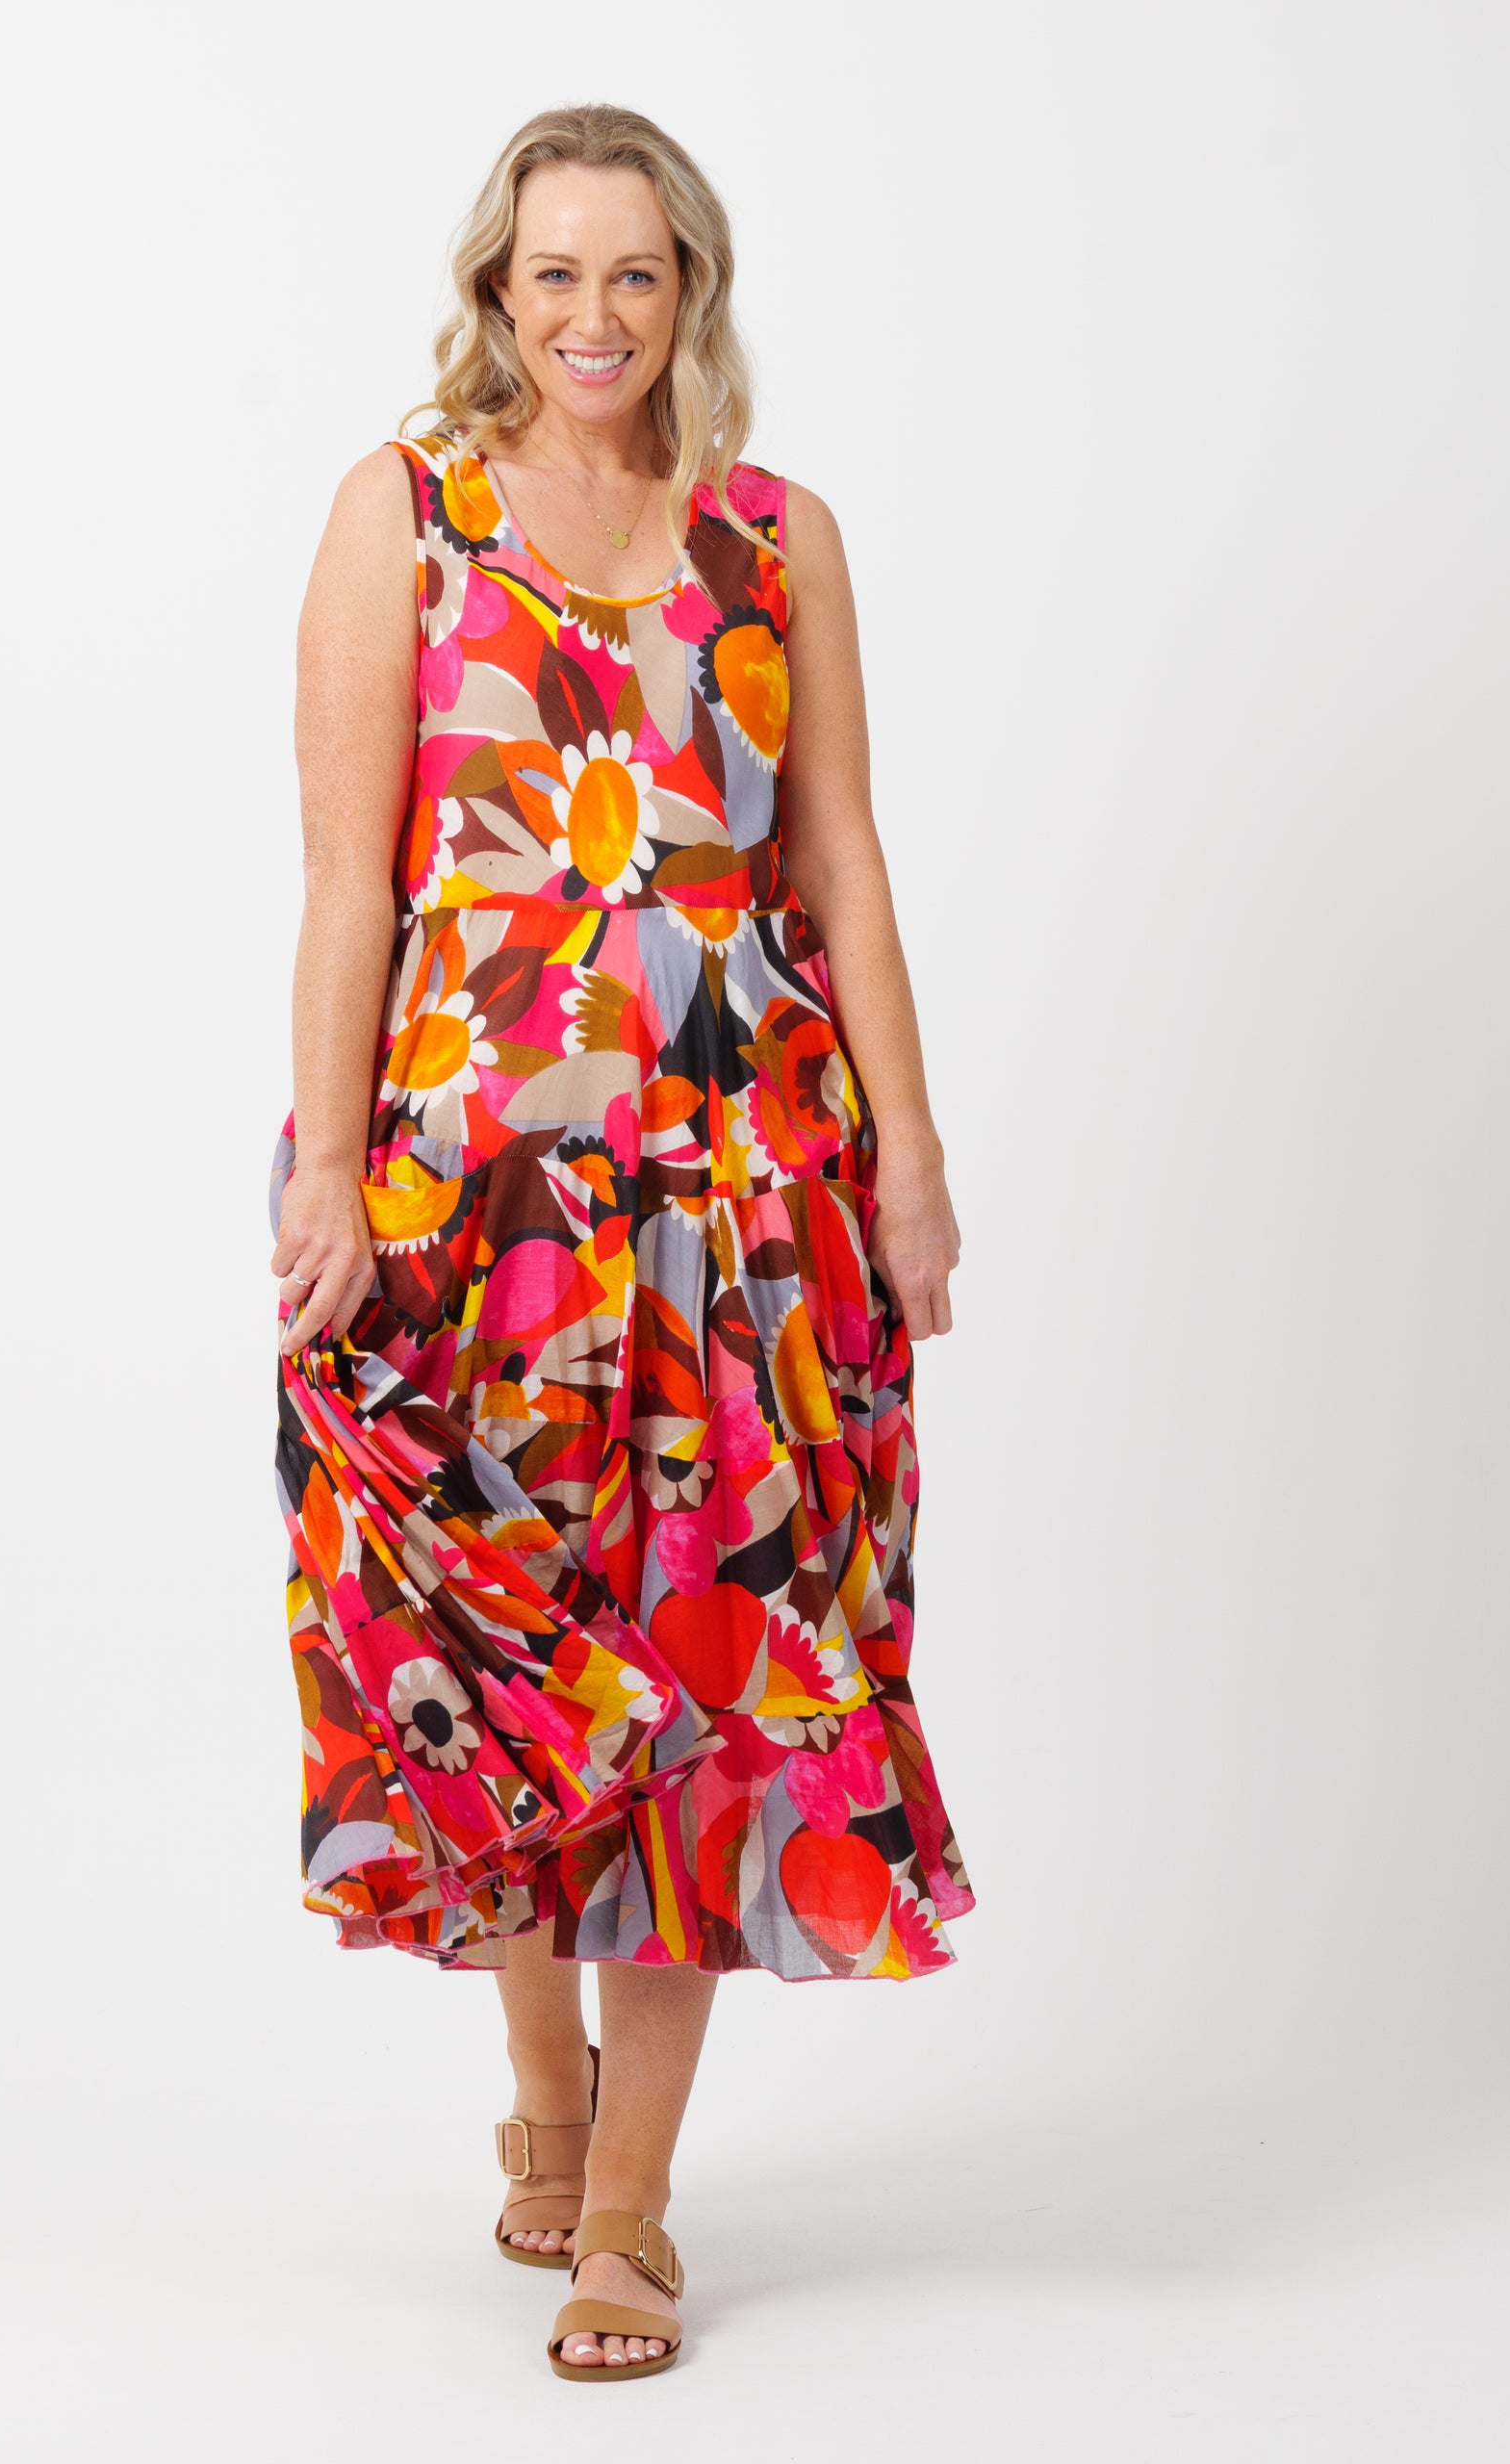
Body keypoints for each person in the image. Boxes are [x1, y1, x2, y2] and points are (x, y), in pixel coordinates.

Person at [268, 101, 972, 2380]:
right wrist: (323, 1168)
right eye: (552, 271)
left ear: (693, 291)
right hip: (473, 1194)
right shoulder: (406, 512)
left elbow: (839, 861)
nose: (592, 314)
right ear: (497, 288)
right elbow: (354, 873)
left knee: (708, 1669)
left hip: (747, 1204)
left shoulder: (779, 540)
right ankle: (545, 2086)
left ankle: (632, 2209)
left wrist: (907, 1154)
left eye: (634, 273)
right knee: (495, 1658)